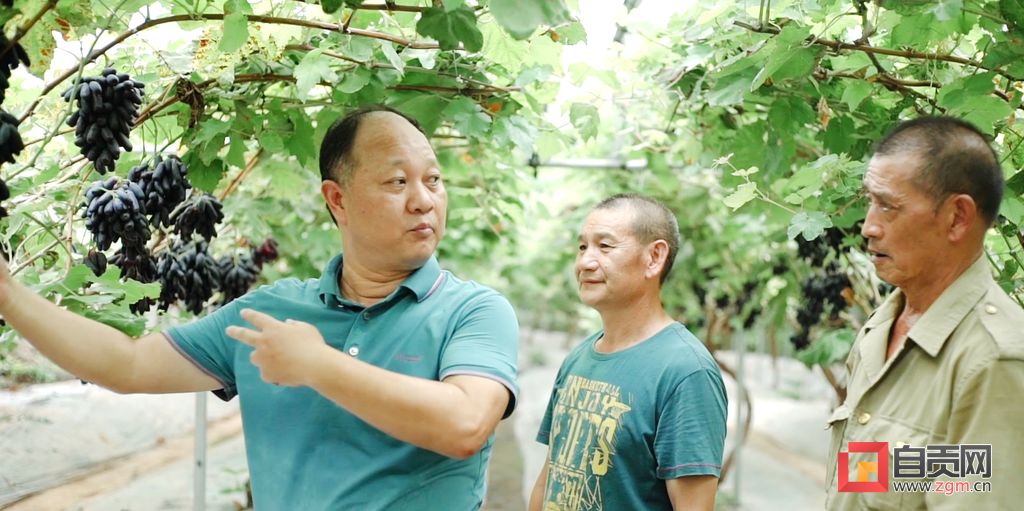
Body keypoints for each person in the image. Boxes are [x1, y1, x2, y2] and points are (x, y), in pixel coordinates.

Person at [0, 105, 520, 510]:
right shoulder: (274, 313)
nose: (424, 199)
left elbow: (464, 425)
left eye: (433, 179)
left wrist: (318, 365)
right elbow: (128, 364)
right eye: (397, 181)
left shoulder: (473, 312)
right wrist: (8, 294)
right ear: (337, 200)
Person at [826, 116, 1024, 509]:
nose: (868, 227)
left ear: (957, 218)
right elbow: (878, 480)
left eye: (888, 206)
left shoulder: (992, 360)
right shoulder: (882, 328)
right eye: (870, 201)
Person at [528, 194, 727, 511]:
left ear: (654, 258)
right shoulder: (578, 358)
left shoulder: (687, 371)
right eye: (582, 247)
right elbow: (551, 476)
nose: (585, 262)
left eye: (605, 247)